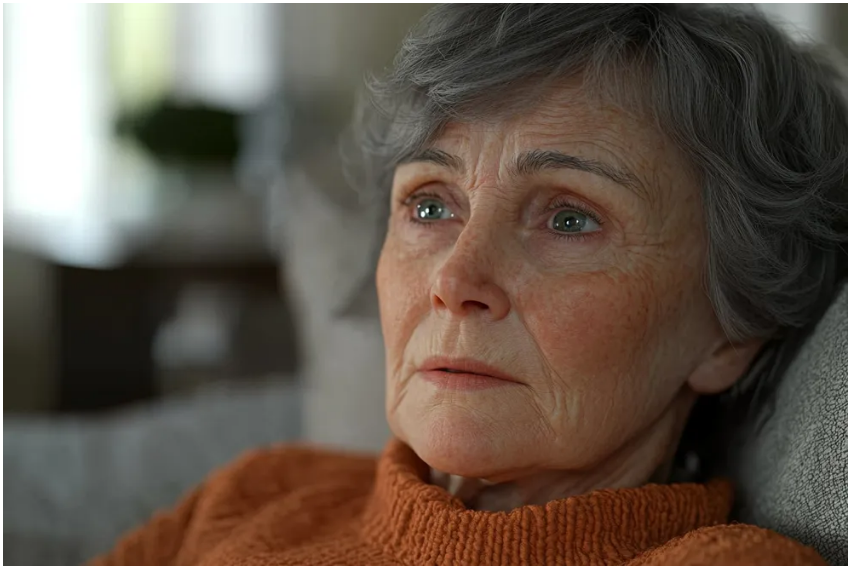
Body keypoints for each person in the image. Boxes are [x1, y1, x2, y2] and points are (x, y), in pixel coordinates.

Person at [92, 4, 846, 565]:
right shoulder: (254, 495)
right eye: (429, 205)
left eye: (570, 220)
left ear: (729, 331)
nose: (454, 279)